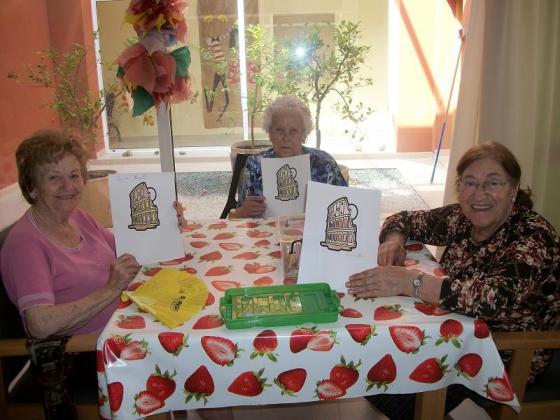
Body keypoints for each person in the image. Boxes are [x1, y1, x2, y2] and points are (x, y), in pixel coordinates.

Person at [346, 142, 560, 418]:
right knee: (370, 357)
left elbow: (494, 300)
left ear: (513, 189)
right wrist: (394, 240)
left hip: (503, 352)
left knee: (382, 382)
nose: (479, 194)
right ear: (459, 187)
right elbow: (403, 218)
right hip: (454, 332)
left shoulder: (532, 237)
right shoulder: (462, 218)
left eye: (493, 183)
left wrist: (408, 282)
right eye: (470, 183)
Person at [0, 129, 186, 338]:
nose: (68, 186)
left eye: (74, 175)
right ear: (32, 188)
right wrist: (111, 289)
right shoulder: (26, 245)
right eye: (54, 178)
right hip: (92, 347)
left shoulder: (78, 218)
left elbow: (130, 252)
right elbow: (40, 325)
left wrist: (166, 226)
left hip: (126, 321)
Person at [232, 95, 347, 218]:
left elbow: (345, 206)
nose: (286, 138)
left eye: (293, 131)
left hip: (313, 229)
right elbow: (235, 217)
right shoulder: (254, 164)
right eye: (279, 130)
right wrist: (244, 211)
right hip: (266, 230)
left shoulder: (324, 163)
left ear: (304, 135)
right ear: (269, 133)